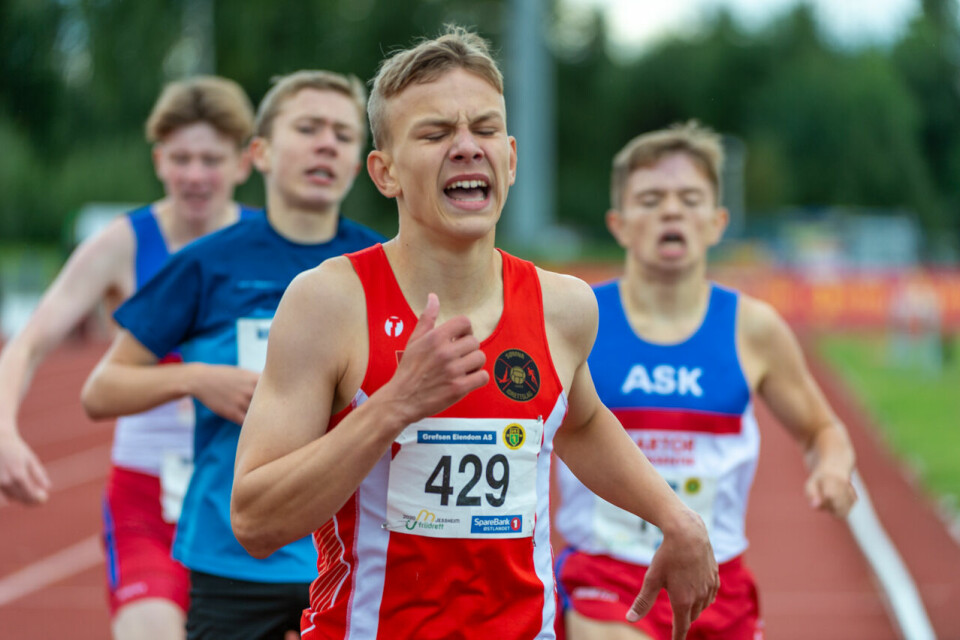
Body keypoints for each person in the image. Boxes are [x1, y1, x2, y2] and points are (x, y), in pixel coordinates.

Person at [230, 27, 719, 640]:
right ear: (384, 173)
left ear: (510, 159)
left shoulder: (562, 306)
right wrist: (395, 405)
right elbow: (254, 520)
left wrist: (675, 517)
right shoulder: (329, 302)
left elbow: (584, 422)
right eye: (435, 134)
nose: (466, 147)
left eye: (484, 130)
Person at [81, 70, 384, 640]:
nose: (327, 143)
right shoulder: (206, 263)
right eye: (308, 127)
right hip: (230, 560)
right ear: (261, 153)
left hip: (348, 555)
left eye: (343, 134)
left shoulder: (383, 266)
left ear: (363, 162)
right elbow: (101, 390)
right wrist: (196, 379)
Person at [552, 122, 859, 640]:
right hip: (608, 573)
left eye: (690, 199)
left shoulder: (753, 329)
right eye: (650, 199)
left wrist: (832, 468)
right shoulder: (578, 318)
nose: (671, 211)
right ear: (619, 223)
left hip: (717, 580)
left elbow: (822, 429)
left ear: (718, 222)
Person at [0, 75, 256, 639]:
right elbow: (32, 338)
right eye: (180, 157)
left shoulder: (270, 246)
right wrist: (4, 431)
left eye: (210, 159)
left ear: (244, 162)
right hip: (147, 498)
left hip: (246, 497)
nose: (194, 174)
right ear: (159, 160)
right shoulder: (125, 244)